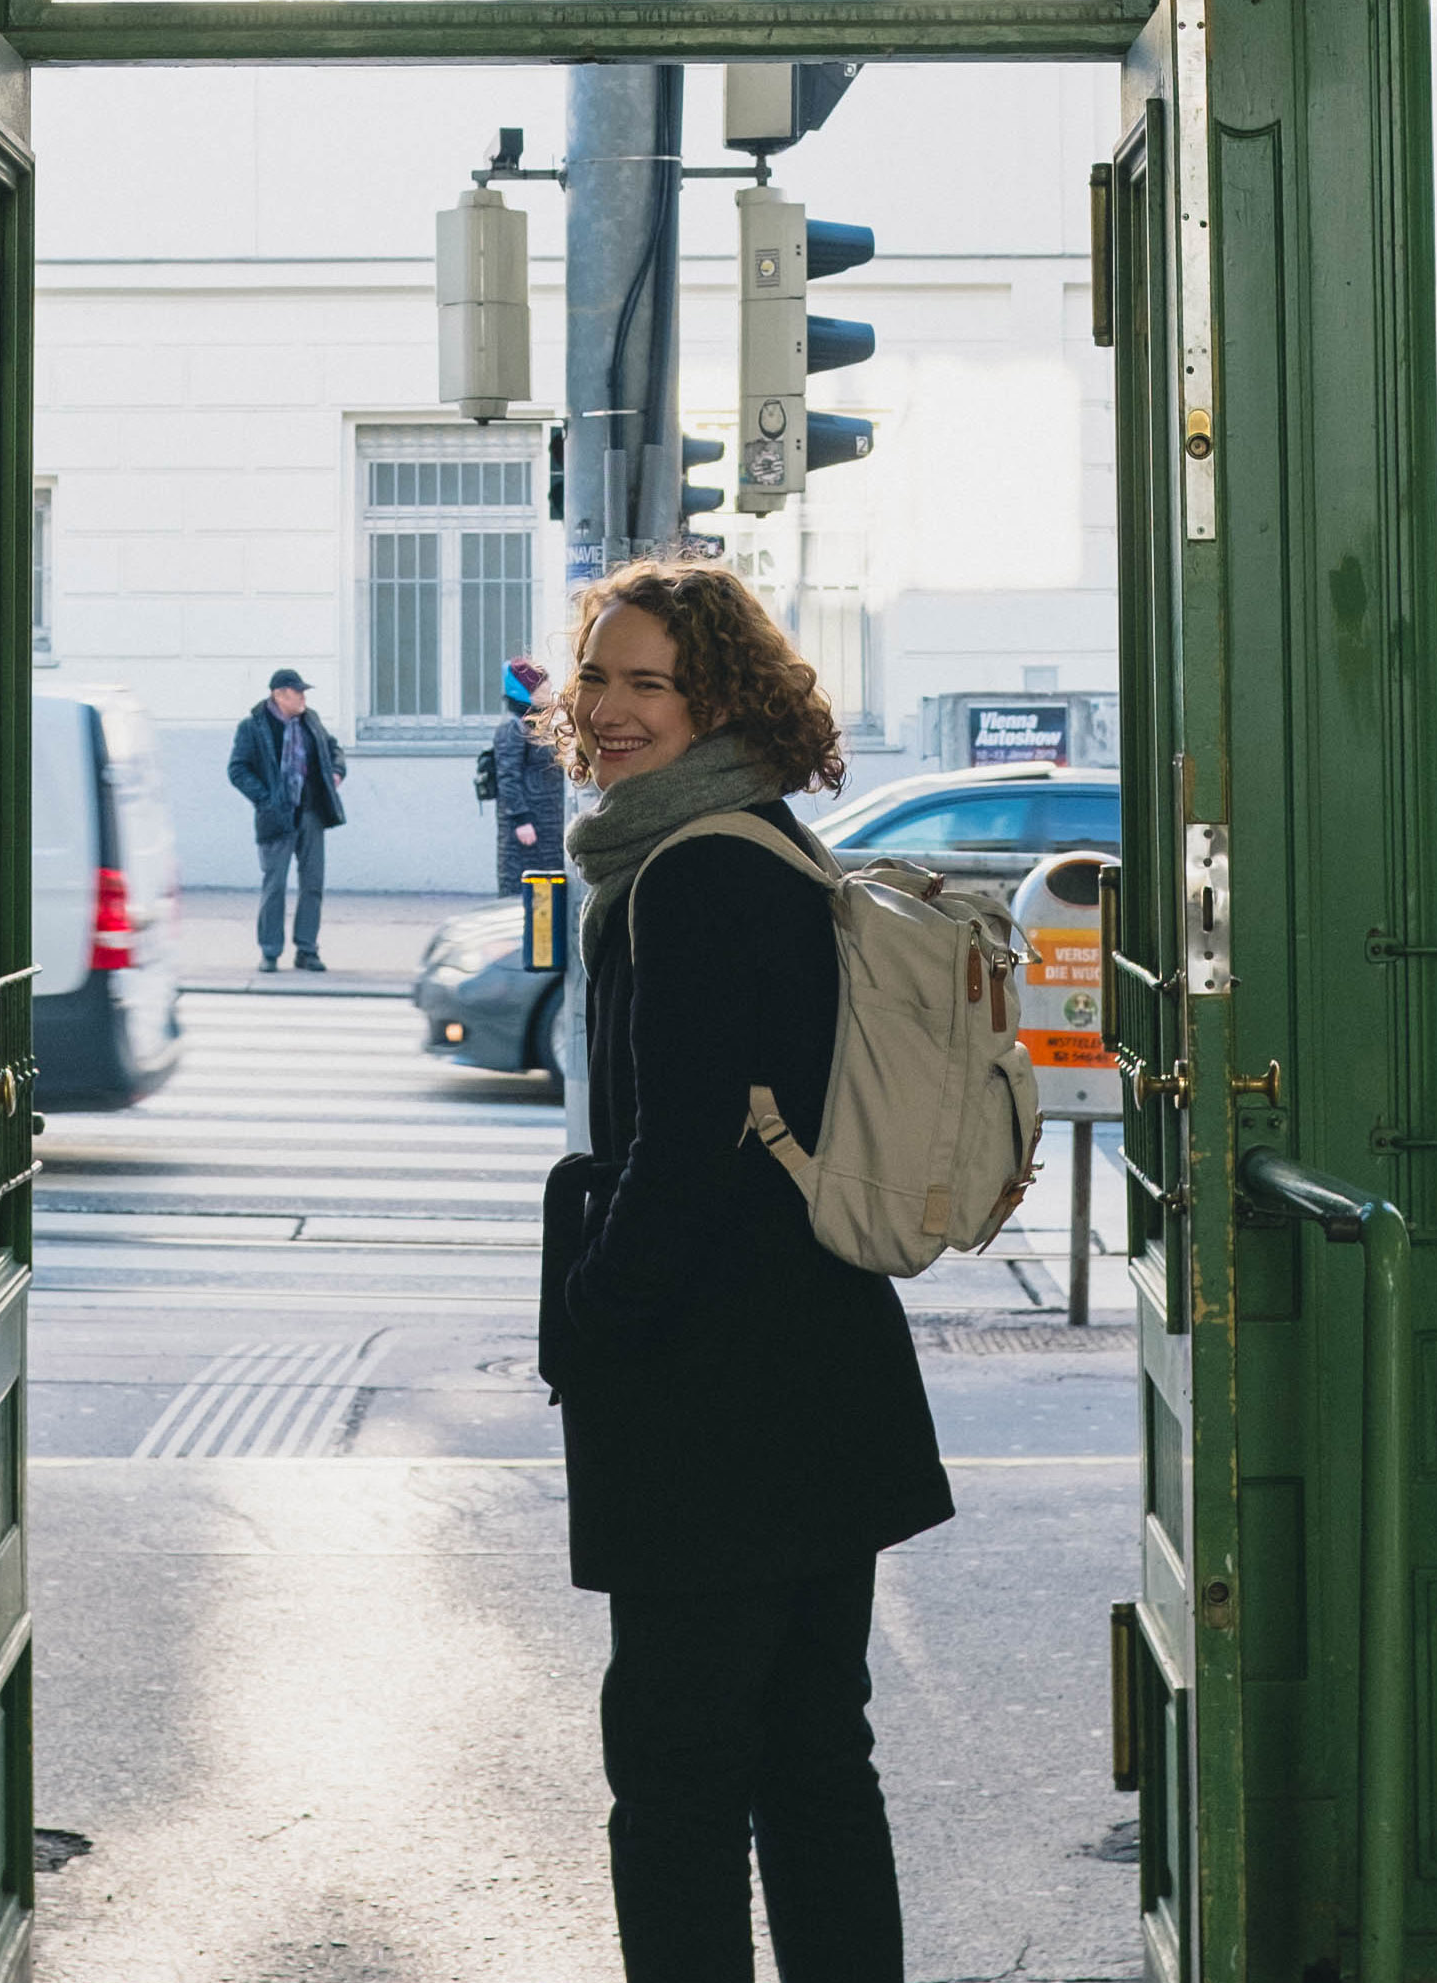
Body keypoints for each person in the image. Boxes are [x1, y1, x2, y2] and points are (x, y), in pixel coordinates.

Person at [533, 560, 953, 1982]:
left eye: (649, 680)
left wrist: (593, 1320)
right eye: (596, 673)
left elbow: (682, 1152)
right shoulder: (760, 838)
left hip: (714, 1389)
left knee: (677, 1773)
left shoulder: (693, 869)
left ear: (717, 698)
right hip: (819, 1361)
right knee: (812, 1750)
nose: (609, 707)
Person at [224, 666, 349, 972]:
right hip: (276, 816)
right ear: (279, 695)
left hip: (312, 812)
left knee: (313, 884)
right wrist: (266, 799)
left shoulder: (310, 720)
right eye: (298, 692)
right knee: (275, 884)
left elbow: (333, 748)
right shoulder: (253, 727)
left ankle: (307, 950)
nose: (303, 697)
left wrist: (336, 770)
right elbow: (237, 769)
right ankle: (270, 951)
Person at [491, 655, 564, 891]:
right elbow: (507, 777)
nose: (550, 688)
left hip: (546, 825)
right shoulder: (512, 726)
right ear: (526, 690)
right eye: (543, 684)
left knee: (547, 891)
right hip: (528, 828)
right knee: (522, 890)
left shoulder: (536, 725)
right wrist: (521, 820)